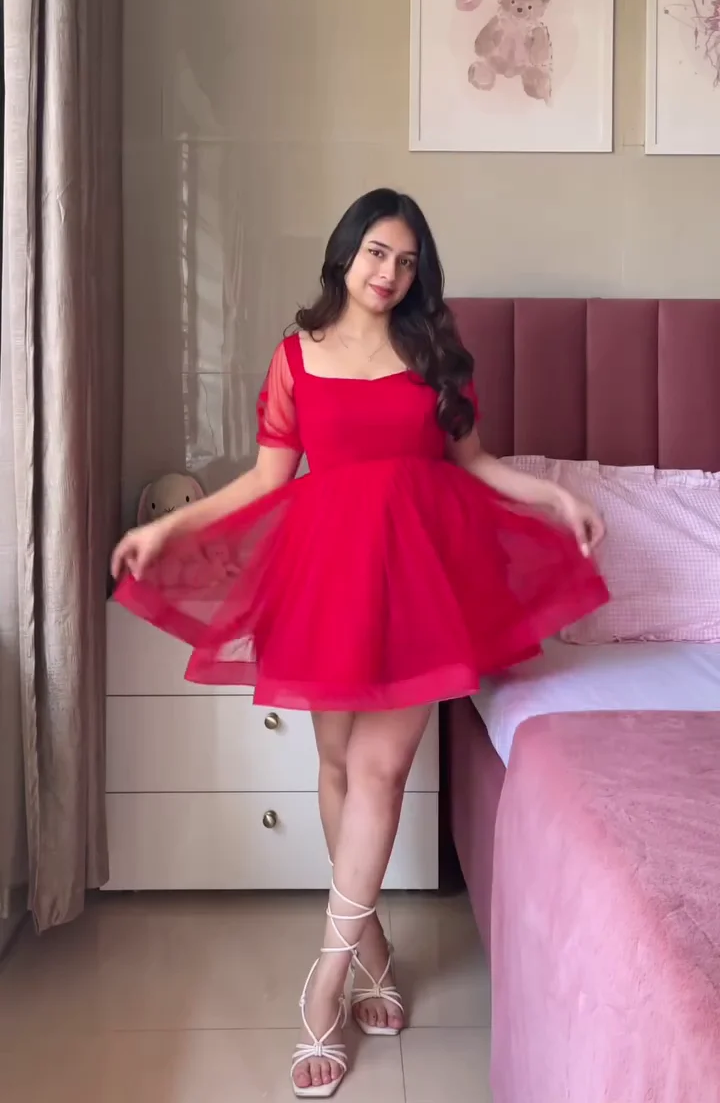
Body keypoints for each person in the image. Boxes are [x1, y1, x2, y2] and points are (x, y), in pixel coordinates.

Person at [112, 188, 607, 1098]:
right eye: (378, 252)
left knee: (378, 773)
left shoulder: (434, 355)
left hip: (418, 581)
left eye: (407, 261)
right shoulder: (295, 355)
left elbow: (475, 464)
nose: (390, 273)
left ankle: (325, 983)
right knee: (336, 766)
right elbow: (266, 480)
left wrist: (555, 497)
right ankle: (374, 949)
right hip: (327, 580)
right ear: (346, 253)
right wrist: (167, 530)